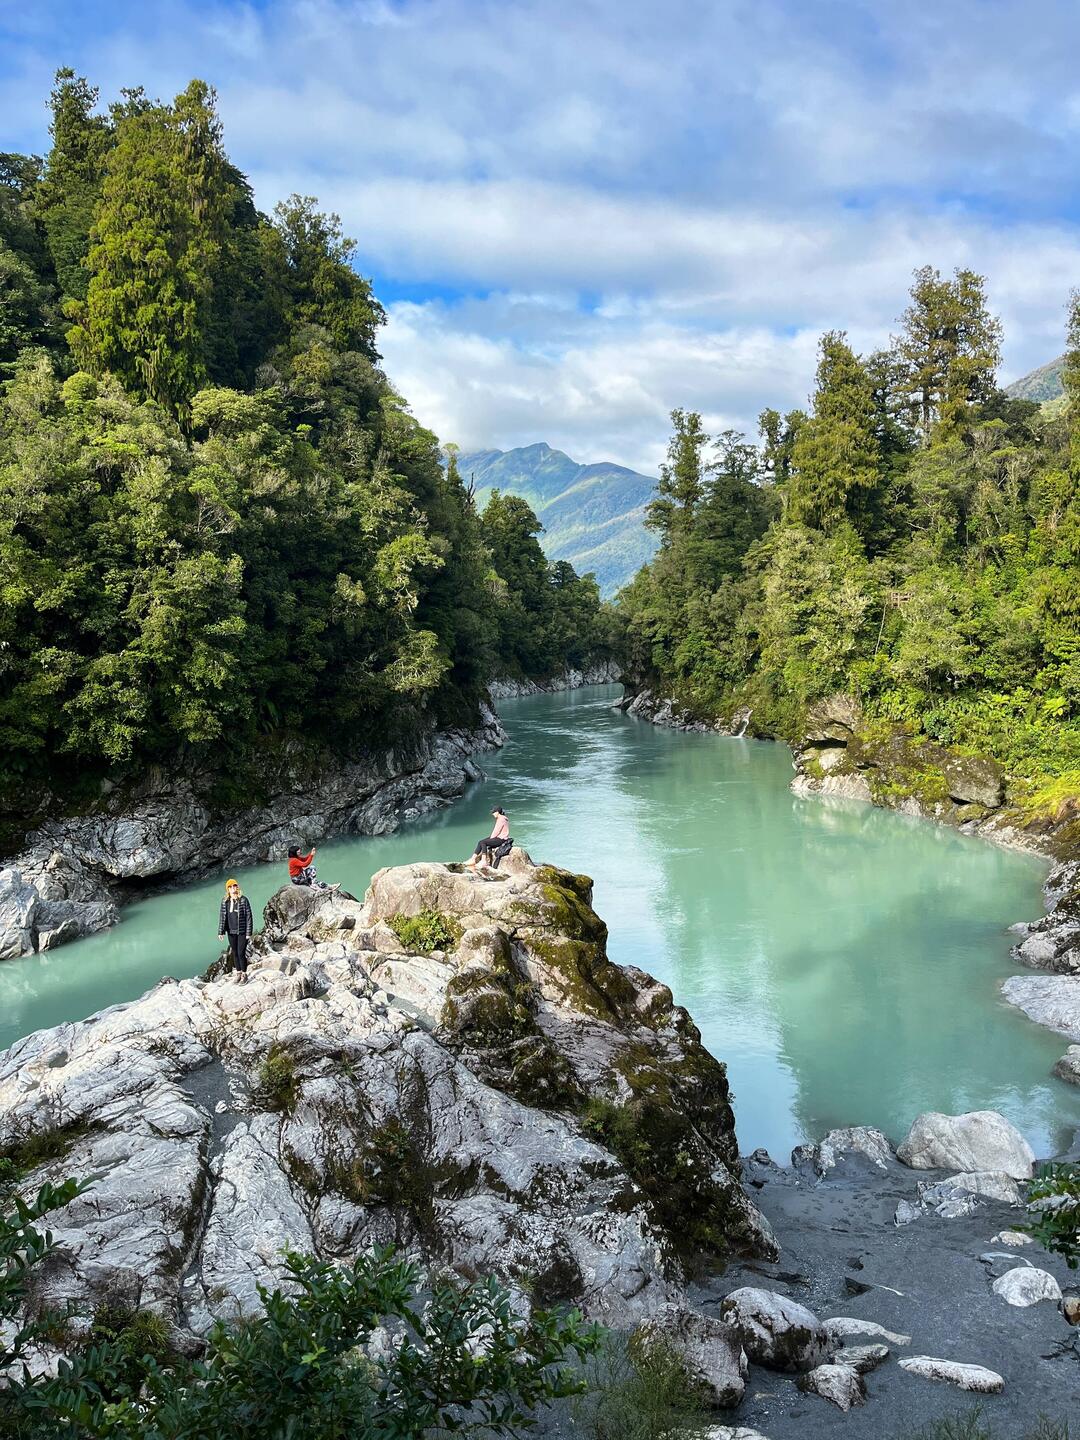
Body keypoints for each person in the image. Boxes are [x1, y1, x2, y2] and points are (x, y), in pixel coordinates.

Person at [217, 878, 254, 982]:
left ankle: (244, 974)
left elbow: (249, 917)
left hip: (242, 931)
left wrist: (248, 932)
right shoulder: (225, 901)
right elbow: (222, 917)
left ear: (237, 887)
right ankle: (238, 973)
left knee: (241, 952)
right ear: (227, 889)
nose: (233, 888)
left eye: (234, 886)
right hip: (231, 931)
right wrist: (221, 931)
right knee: (235, 953)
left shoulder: (243, 900)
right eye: (230, 887)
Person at [466, 807, 512, 872]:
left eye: (493, 812)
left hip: (501, 839)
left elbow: (496, 831)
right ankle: (473, 859)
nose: (492, 814)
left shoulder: (501, 819)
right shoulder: (502, 818)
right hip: (499, 837)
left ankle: (483, 861)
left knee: (483, 842)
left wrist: (491, 838)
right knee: (480, 842)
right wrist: (491, 838)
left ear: (497, 812)